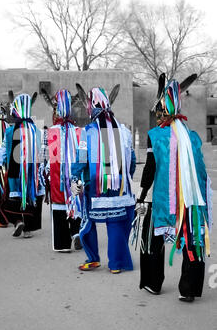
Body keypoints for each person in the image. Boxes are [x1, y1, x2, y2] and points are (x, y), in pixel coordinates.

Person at [137, 76, 212, 302]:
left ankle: (153, 283)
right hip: (192, 200)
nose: (157, 114)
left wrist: (141, 195)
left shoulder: (156, 135)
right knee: (192, 239)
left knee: (151, 238)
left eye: (158, 110)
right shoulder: (192, 136)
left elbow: (150, 169)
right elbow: (201, 170)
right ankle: (189, 289)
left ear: (163, 111)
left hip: (164, 200)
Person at [71, 85, 136, 273]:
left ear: (91, 109)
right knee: (115, 222)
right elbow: (131, 160)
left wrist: (75, 178)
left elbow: (81, 160)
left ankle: (93, 258)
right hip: (120, 187)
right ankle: (116, 264)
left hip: (95, 187)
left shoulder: (88, 131)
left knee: (88, 221)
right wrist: (125, 179)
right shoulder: (123, 131)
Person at [0, 92, 44, 238]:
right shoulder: (36, 131)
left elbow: (3, 149)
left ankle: (17, 221)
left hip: (14, 172)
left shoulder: (10, 131)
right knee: (30, 196)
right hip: (32, 170)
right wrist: (43, 168)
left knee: (12, 197)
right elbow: (43, 150)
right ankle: (28, 229)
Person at [41, 88, 82, 252]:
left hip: (57, 177)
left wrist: (44, 175)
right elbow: (83, 156)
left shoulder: (50, 132)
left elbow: (44, 157)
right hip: (75, 174)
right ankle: (77, 232)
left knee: (59, 205)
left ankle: (63, 243)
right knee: (75, 199)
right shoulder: (79, 131)